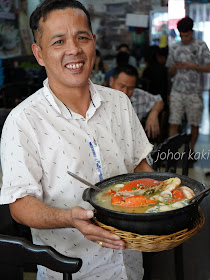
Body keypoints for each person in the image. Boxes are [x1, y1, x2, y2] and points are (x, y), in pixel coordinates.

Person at [0, 1, 154, 280]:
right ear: (39, 54)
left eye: (82, 37)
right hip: (71, 270)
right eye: (58, 41)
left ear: (94, 42)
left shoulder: (119, 102)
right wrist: (69, 218)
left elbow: (140, 166)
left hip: (130, 265)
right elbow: (20, 205)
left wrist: (163, 201)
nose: (74, 50)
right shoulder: (23, 121)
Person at [165, 16, 210, 154]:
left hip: (194, 91)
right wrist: (175, 68)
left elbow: (208, 67)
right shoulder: (174, 47)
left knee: (194, 123)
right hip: (177, 90)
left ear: (192, 32)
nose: (183, 38)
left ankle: (191, 150)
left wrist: (193, 66)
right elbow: (169, 71)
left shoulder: (200, 46)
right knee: (174, 122)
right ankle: (172, 152)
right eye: (181, 35)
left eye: (186, 35)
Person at [109, 64, 164, 140]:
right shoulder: (99, 97)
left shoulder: (138, 96)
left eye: (130, 88)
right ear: (111, 81)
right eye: (121, 86)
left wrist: (154, 113)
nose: (125, 92)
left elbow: (159, 100)